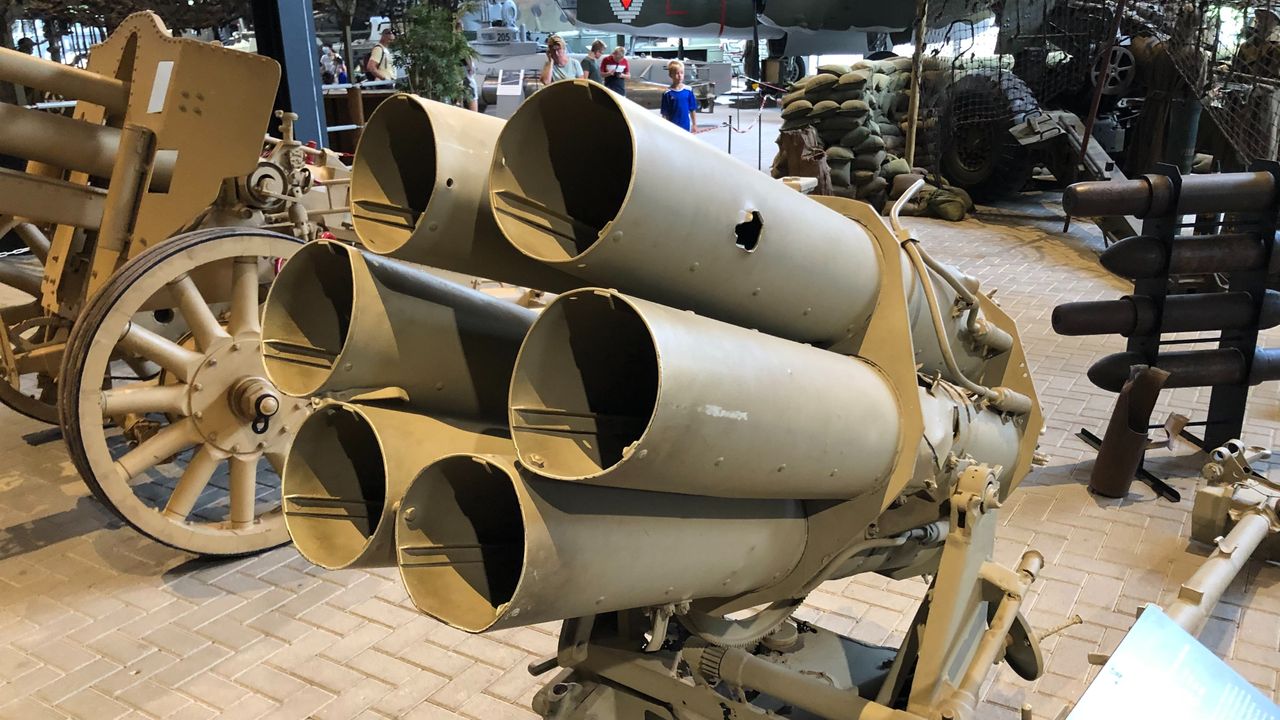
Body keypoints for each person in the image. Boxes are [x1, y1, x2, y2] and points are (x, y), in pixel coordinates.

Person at [660, 60, 698, 133]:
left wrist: (694, 124)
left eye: (682, 73)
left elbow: (692, 109)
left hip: (685, 126)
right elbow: (664, 114)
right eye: (677, 73)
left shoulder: (688, 90)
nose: (680, 75)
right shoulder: (667, 93)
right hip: (672, 127)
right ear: (671, 75)